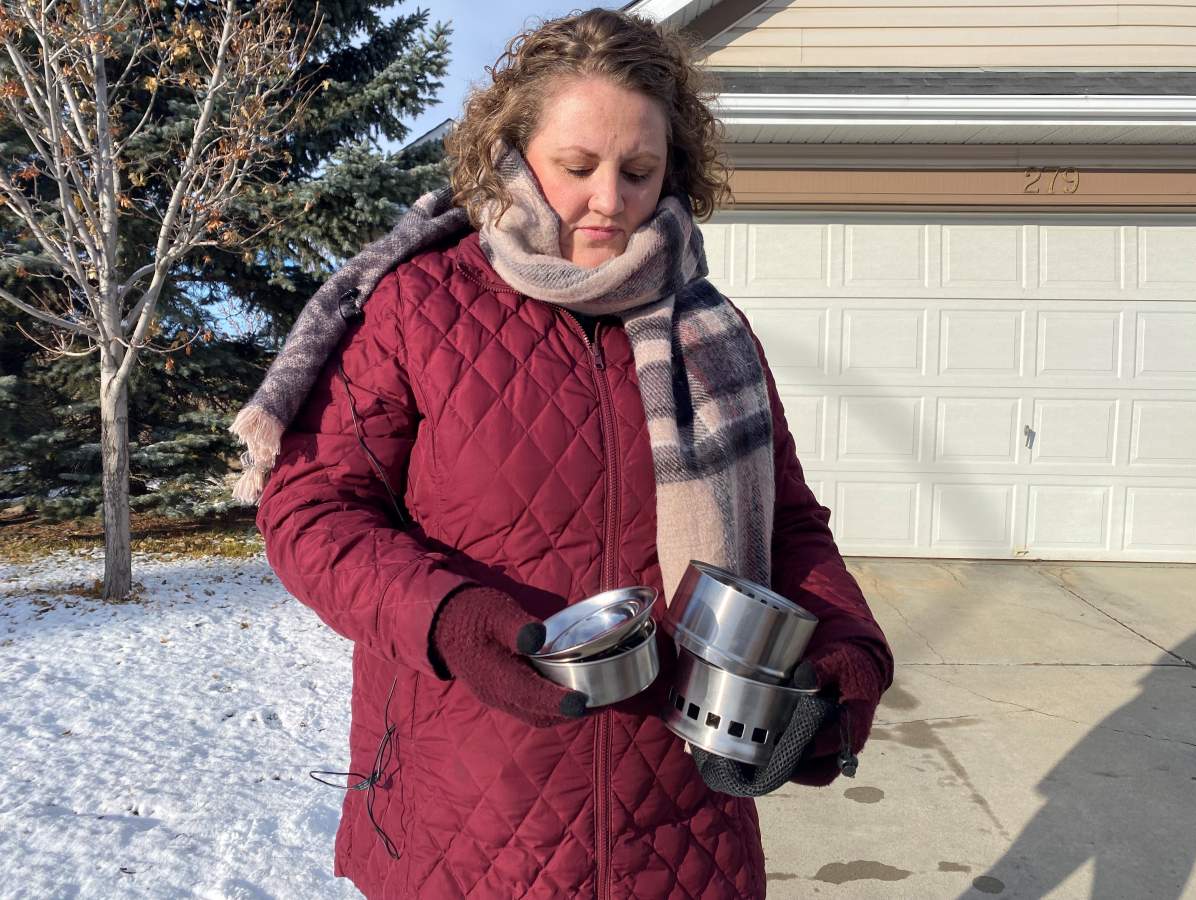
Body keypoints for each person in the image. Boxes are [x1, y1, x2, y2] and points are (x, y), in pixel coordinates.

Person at [251, 9, 892, 899]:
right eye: (577, 167)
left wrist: (850, 650)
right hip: (467, 812)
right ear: (513, 156)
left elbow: (787, 523)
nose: (610, 200)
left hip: (682, 825)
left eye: (639, 171)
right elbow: (310, 510)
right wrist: (443, 617)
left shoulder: (713, 332)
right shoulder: (416, 310)